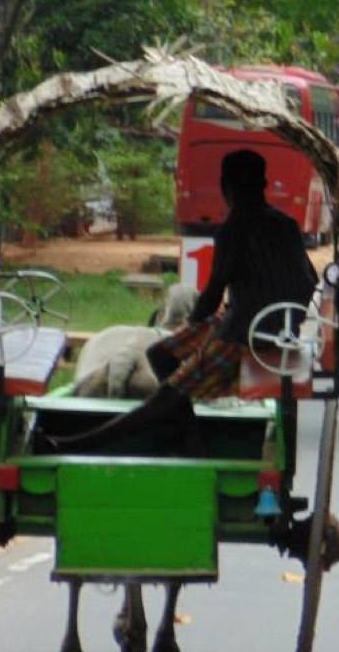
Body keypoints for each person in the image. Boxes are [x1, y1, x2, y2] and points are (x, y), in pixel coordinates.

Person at [73, 149, 318, 452]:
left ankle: (79, 442)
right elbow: (310, 280)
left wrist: (194, 325)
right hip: (260, 324)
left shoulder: (233, 228)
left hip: (242, 335)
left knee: (166, 393)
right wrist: (282, 316)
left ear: (226, 187)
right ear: (263, 184)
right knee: (159, 354)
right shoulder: (286, 225)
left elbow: (213, 292)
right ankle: (189, 432)